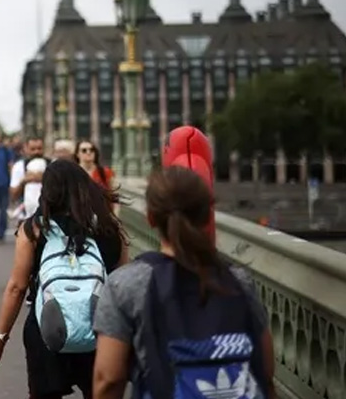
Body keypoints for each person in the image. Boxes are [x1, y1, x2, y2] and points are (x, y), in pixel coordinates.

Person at [92, 166, 274, 399]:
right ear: (208, 215)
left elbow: (108, 379)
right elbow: (265, 373)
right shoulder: (238, 281)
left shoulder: (127, 284)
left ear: (150, 218)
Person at [0, 159, 129, 399]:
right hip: (101, 330)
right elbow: (124, 287)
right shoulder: (110, 230)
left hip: (46, 328)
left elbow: (17, 287)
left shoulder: (34, 230)